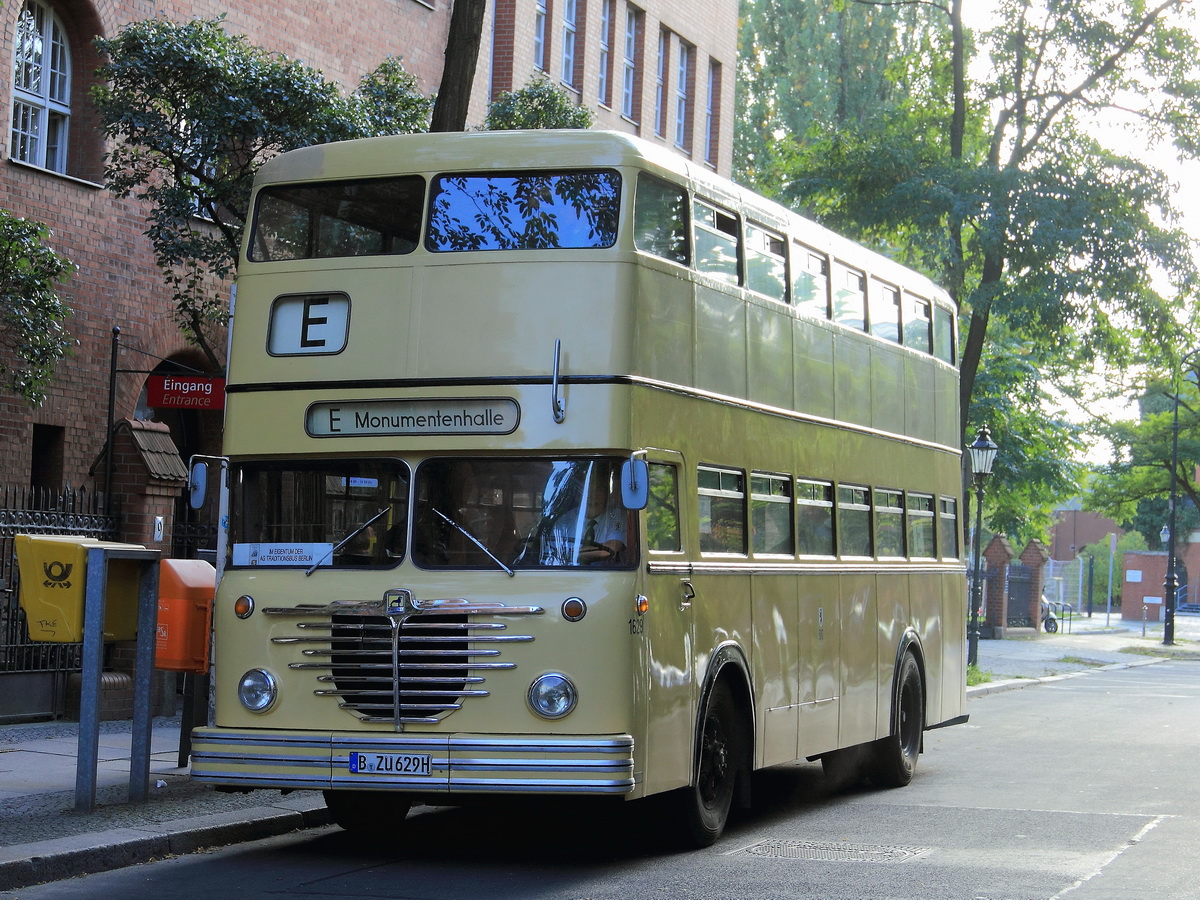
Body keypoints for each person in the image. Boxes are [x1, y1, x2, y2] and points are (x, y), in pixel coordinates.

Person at [538, 468, 626, 566]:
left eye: (599, 489)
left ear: (607, 494)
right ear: (578, 495)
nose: (592, 496)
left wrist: (569, 554)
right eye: (587, 489)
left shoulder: (616, 516)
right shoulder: (563, 523)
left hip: (603, 577)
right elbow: (549, 559)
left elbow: (611, 548)